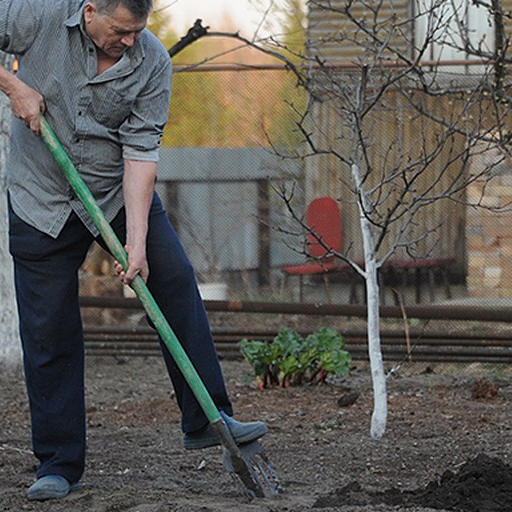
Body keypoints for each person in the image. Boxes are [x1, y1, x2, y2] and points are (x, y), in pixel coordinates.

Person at [0, 0, 267, 502]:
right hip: (40, 196)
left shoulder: (152, 61)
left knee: (173, 279)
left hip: (111, 193)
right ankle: (57, 462)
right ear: (89, 9)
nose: (129, 41)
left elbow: (141, 153)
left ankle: (205, 416)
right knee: (49, 329)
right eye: (120, 31)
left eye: (137, 32)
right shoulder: (34, 14)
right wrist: (14, 86)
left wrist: (138, 243)